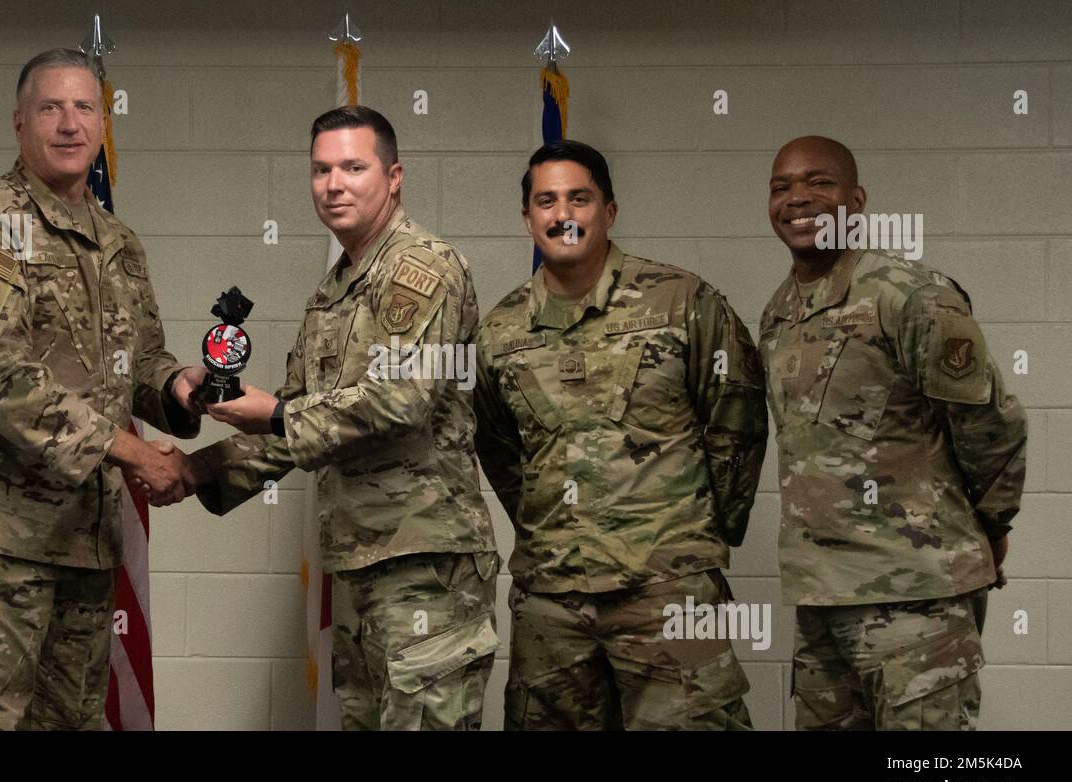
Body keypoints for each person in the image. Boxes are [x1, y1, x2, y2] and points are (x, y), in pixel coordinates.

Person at [166, 106, 500, 731]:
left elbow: (399, 402)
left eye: (353, 166)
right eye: (321, 169)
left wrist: (278, 414)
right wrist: (194, 472)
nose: (334, 184)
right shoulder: (334, 291)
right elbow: (297, 427)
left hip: (422, 565)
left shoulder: (422, 269)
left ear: (394, 177)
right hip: (358, 563)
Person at [0, 48, 204, 730]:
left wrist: (184, 386)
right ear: (19, 122)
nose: (69, 123)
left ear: (103, 124)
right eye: (51, 108)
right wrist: (132, 454)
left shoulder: (119, 244)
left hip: (84, 539)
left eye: (83, 108)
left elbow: (142, 362)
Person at [473, 140, 768, 730]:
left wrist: (694, 539)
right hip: (551, 605)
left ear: (608, 210)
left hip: (666, 592)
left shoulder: (683, 301)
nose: (564, 214)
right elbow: (502, 451)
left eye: (579, 198)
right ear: (527, 218)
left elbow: (738, 420)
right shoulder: (500, 332)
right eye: (546, 201)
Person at [759, 135, 1027, 730]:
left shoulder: (909, 295)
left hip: (917, 596)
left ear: (856, 200)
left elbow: (989, 423)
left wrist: (992, 524)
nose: (797, 198)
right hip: (822, 596)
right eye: (781, 187)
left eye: (818, 182)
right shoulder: (779, 311)